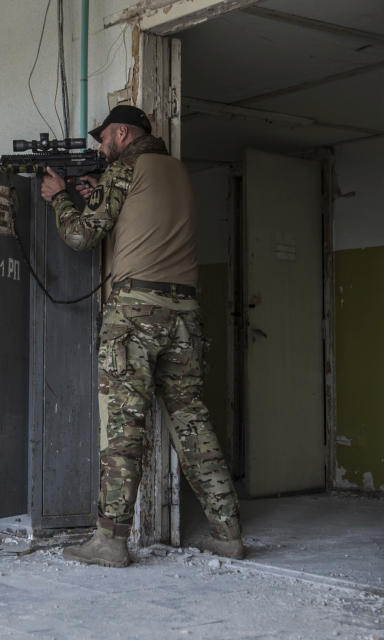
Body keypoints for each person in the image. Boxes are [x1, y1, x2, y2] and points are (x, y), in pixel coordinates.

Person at [40, 105, 242, 568]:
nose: (100, 146)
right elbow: (142, 223)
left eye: (104, 137)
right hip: (185, 313)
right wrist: (94, 193)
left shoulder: (126, 168)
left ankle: (110, 541)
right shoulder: (175, 171)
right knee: (192, 423)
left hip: (135, 312)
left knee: (123, 427)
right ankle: (228, 532)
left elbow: (80, 237)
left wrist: (60, 198)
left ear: (123, 133)